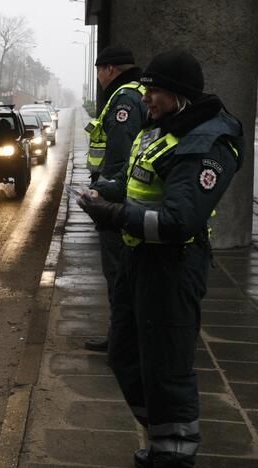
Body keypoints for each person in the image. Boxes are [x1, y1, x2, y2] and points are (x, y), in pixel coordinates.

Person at [79, 49, 243, 467]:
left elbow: (178, 222)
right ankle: (160, 439)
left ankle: (172, 456)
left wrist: (113, 215)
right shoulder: (160, 129)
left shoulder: (207, 143)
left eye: (155, 90)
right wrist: (108, 193)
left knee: (167, 369)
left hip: (172, 268)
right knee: (125, 356)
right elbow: (138, 179)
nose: (146, 97)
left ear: (179, 94)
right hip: (138, 264)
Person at [83, 45, 148, 352]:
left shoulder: (123, 99)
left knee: (119, 275)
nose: (97, 77)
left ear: (109, 69)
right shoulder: (136, 92)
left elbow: (121, 155)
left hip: (116, 200)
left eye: (98, 70)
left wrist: (103, 194)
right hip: (125, 198)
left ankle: (121, 343)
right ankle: (125, 338)